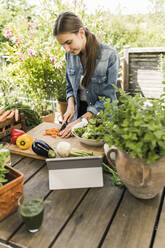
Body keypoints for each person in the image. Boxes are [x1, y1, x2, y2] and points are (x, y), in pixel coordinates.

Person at [53, 11, 120, 138]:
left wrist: (81, 121)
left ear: (81, 33)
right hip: (80, 115)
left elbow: (109, 99)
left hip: (102, 120)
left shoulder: (110, 55)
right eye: (63, 45)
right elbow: (69, 87)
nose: (66, 49)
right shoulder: (70, 55)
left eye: (69, 42)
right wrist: (71, 105)